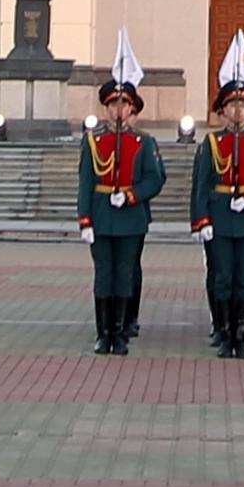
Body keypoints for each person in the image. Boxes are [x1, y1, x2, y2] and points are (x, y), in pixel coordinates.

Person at [191, 77, 244, 359]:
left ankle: (241, 336)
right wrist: (201, 220)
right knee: (223, 278)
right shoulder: (212, 142)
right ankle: (225, 332)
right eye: (232, 104)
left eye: (243, 104)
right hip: (219, 216)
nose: (238, 110)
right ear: (223, 109)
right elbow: (202, 185)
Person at [77, 77, 165, 354]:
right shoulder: (93, 141)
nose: (118, 110)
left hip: (131, 217)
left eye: (123, 104)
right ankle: (103, 333)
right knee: (104, 274)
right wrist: (85, 219)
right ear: (105, 108)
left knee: (125, 273)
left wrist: (131, 195)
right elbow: (86, 183)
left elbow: (155, 179)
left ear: (131, 109)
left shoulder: (144, 142)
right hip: (102, 216)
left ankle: (120, 331)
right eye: (113, 104)